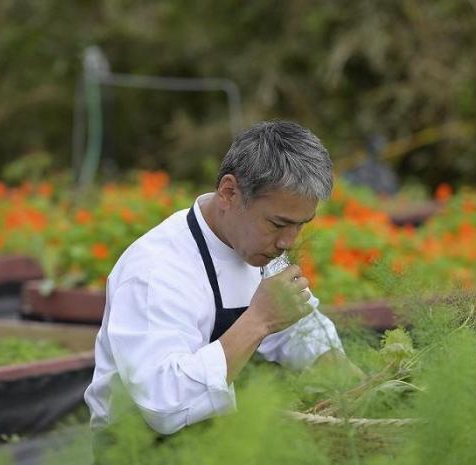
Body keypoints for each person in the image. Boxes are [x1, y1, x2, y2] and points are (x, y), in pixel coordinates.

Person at [84, 120, 358, 444]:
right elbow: (162, 404)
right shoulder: (155, 271)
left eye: (300, 226)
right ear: (229, 192)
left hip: (220, 447)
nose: (288, 241)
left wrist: (360, 383)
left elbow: (299, 330)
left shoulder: (261, 250)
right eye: (278, 223)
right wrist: (258, 321)